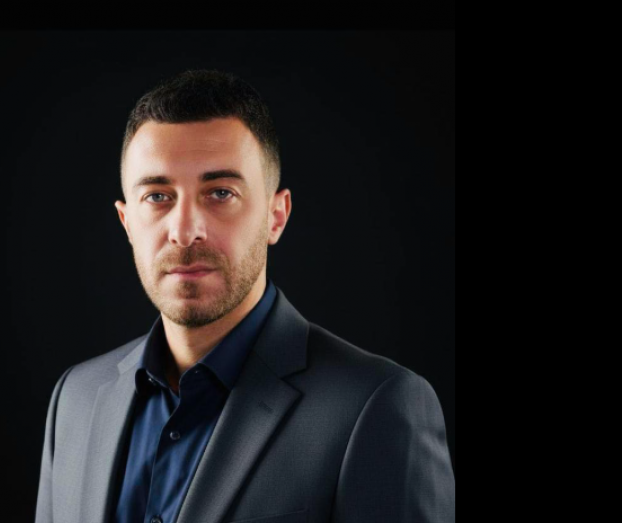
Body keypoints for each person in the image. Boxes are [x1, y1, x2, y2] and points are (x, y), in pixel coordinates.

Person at [35, 69, 455, 523]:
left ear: (276, 216)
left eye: (220, 193)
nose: (184, 231)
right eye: (157, 196)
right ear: (126, 223)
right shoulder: (74, 398)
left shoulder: (377, 406)